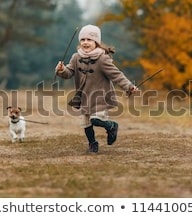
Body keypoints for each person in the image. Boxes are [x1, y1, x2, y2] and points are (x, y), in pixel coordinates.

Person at [55, 24, 138, 153]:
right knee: (86, 123)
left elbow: (116, 75)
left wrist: (129, 86)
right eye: (83, 40)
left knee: (96, 119)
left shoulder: (102, 58)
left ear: (96, 42)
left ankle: (111, 126)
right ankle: (92, 144)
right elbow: (68, 73)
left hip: (100, 98)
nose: (85, 43)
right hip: (84, 97)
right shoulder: (76, 57)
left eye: (89, 40)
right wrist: (61, 70)